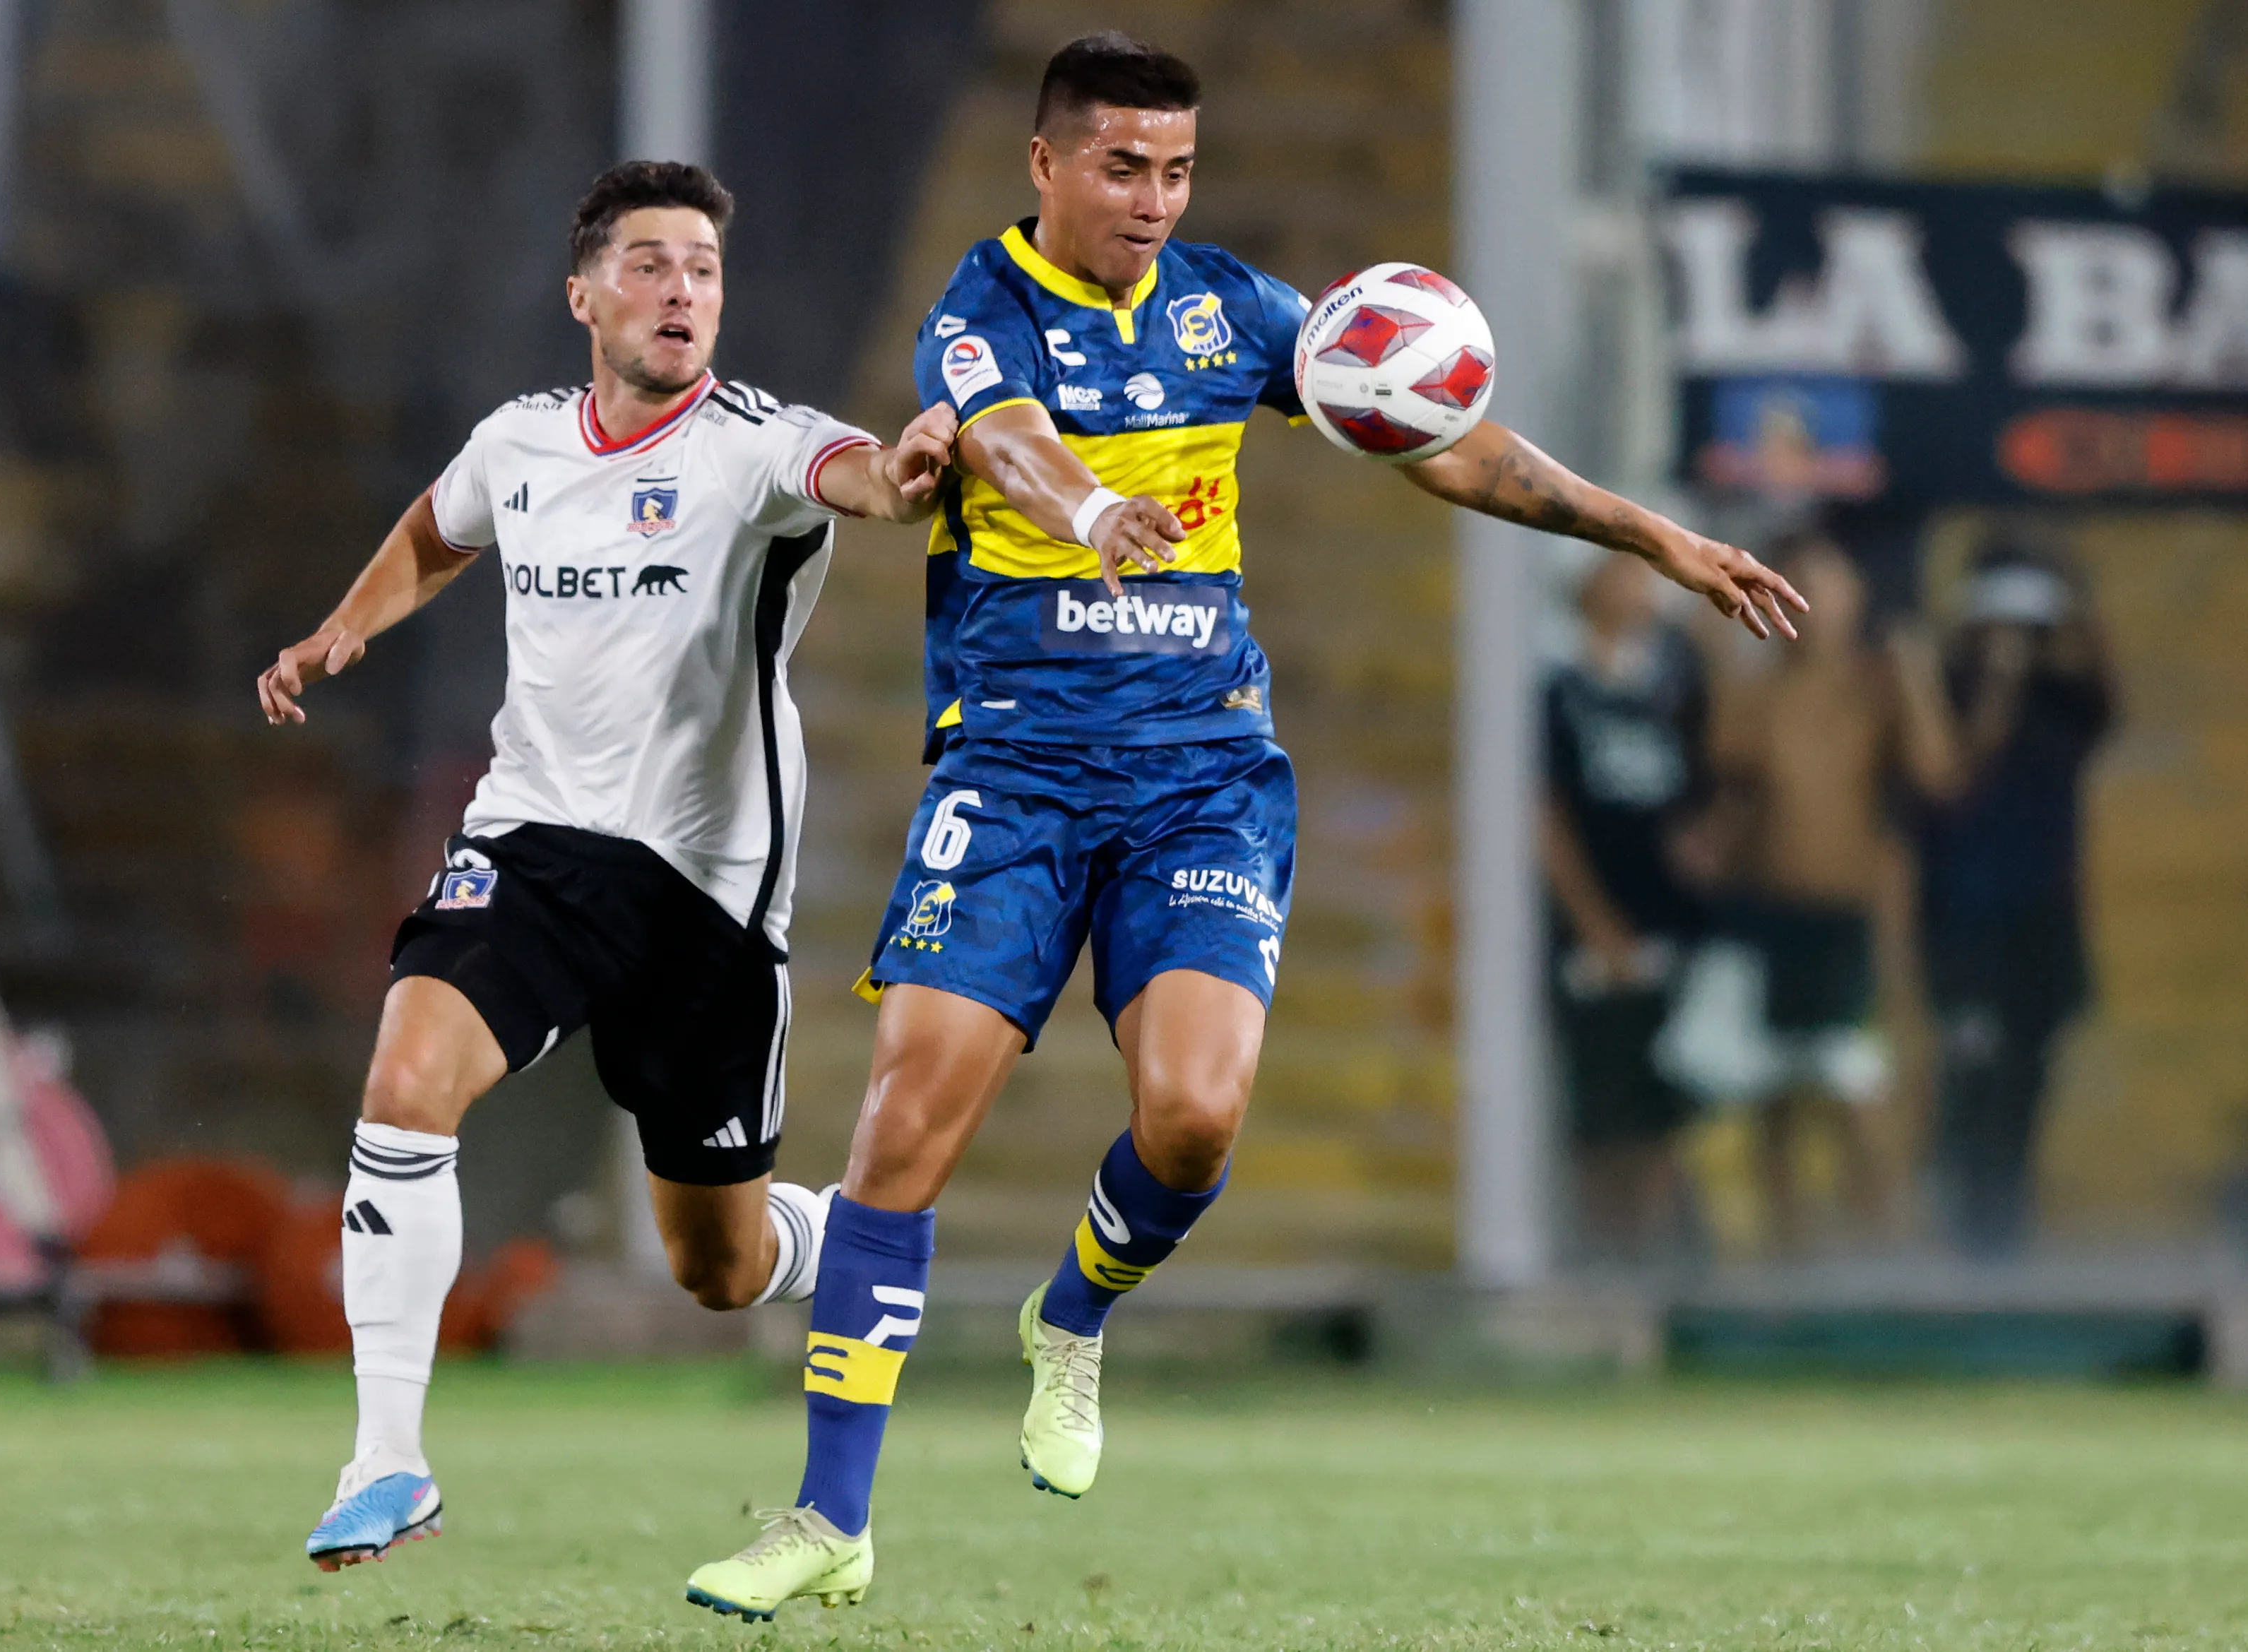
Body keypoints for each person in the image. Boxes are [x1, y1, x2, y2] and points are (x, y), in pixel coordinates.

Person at [684, 32, 1803, 1620]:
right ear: (1046, 165)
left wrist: (1654, 530)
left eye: (1176, 168)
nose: (1153, 198)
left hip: (1201, 770)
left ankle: (1070, 1316)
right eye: (1123, 166)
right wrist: (1087, 514)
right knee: (898, 1130)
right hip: (1010, 773)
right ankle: (828, 1513)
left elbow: (1439, 436)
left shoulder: (1231, 309)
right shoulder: (979, 309)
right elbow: (1003, 440)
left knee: (1195, 1120)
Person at [256, 160, 958, 1571]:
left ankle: (843, 1233)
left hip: (707, 893)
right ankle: (386, 1459)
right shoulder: (521, 440)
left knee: (718, 1267)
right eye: (648, 263)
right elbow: (432, 531)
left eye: (701, 266)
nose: (680, 288)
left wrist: (911, 463)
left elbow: (861, 476)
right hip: (533, 843)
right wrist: (345, 629)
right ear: (583, 295)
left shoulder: (758, 440)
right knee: (405, 1077)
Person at [1708, 534, 1957, 1255]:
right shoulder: (1759, 693)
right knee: (1776, 1107)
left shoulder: (1877, 691)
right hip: (1771, 919)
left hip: (1848, 919)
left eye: (1829, 592)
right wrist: (1722, 656)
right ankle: (1787, 1268)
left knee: (1862, 1104)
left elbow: (1937, 778)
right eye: (1798, 591)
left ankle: (1884, 1263)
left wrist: (1913, 675)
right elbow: (1728, 770)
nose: (1814, 613)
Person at [1917, 544, 2114, 1258]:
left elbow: (2105, 699)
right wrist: (1994, 682)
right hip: (1966, 922)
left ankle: (2008, 1230)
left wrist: (2069, 604)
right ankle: (1964, 1228)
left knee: (2028, 1079)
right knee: (1972, 1075)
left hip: (2042, 921)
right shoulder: (1947, 688)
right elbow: (1953, 782)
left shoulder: (2061, 699)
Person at [1542, 554, 1711, 1262]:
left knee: (1660, 1113)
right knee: (1605, 1113)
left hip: (1670, 929)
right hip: (1598, 940)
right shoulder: (1558, 692)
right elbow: (1544, 815)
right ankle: (1606, 1258)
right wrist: (1592, 922)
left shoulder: (1674, 689)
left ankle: (1655, 1260)